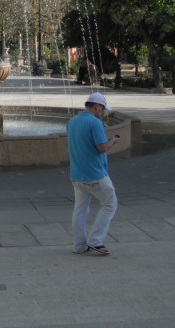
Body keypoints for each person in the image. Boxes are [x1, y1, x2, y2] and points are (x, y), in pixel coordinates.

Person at [66, 92, 119, 255]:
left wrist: (99, 130)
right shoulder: (95, 123)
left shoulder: (72, 121)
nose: (102, 112)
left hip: (77, 174)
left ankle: (79, 245)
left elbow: (83, 140)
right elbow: (102, 147)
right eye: (102, 109)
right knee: (110, 204)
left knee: (80, 209)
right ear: (97, 106)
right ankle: (96, 240)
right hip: (95, 174)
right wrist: (113, 140)